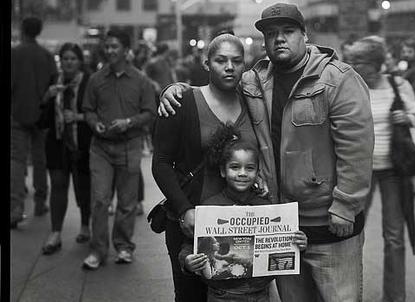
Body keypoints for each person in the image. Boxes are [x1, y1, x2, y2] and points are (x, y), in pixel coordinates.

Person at [159, 3, 374, 301]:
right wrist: (178, 88)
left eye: (288, 31)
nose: (279, 39)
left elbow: (358, 148)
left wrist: (346, 206)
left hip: (330, 223)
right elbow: (219, 83)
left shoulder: (338, 79)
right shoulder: (256, 80)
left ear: (305, 34)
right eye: (272, 34)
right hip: (281, 226)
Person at [151, 33, 260, 302]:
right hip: (192, 222)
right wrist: (184, 210)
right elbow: (161, 163)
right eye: (221, 60)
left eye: (236, 61)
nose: (229, 66)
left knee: (241, 295)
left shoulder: (254, 103)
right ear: (206, 63)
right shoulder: (183, 102)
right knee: (192, 296)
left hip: (241, 224)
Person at [179, 125, 307, 302]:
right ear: (223, 171)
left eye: (249, 168)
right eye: (234, 167)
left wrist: (299, 243)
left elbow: (284, 248)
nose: (242, 173)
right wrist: (187, 261)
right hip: (222, 295)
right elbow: (188, 246)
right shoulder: (210, 208)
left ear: (257, 173)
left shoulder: (266, 208)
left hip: (261, 293)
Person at [345, 36, 415, 302]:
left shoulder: (397, 85)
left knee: (394, 238)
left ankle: (394, 297)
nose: (355, 66)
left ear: (377, 63)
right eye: (352, 60)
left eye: (361, 61)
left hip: (393, 170)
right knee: (351, 235)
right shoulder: (351, 85)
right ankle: (347, 294)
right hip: (359, 170)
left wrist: (407, 117)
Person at [81, 29, 156, 270]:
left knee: (127, 203)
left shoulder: (140, 80)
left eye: (115, 46)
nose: (110, 51)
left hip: (130, 146)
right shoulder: (96, 79)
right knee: (100, 200)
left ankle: (123, 246)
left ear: (126, 49)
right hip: (101, 148)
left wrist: (128, 122)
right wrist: (95, 123)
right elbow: (88, 110)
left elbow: (150, 113)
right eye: (108, 46)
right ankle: (98, 250)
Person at [38, 43, 94, 255]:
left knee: (84, 187)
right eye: (65, 59)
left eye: (72, 58)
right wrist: (47, 97)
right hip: (57, 143)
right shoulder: (54, 81)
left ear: (80, 61)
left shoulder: (89, 82)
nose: (68, 62)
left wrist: (78, 117)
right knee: (58, 186)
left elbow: (97, 113)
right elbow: (41, 120)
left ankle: (85, 225)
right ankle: (56, 233)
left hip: (83, 144)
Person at [11, 16, 58, 228]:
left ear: (23, 29)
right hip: (41, 115)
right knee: (41, 159)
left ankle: (16, 207)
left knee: (17, 160)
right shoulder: (47, 56)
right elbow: (53, 83)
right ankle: (41, 201)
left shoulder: (14, 54)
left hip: (17, 113)